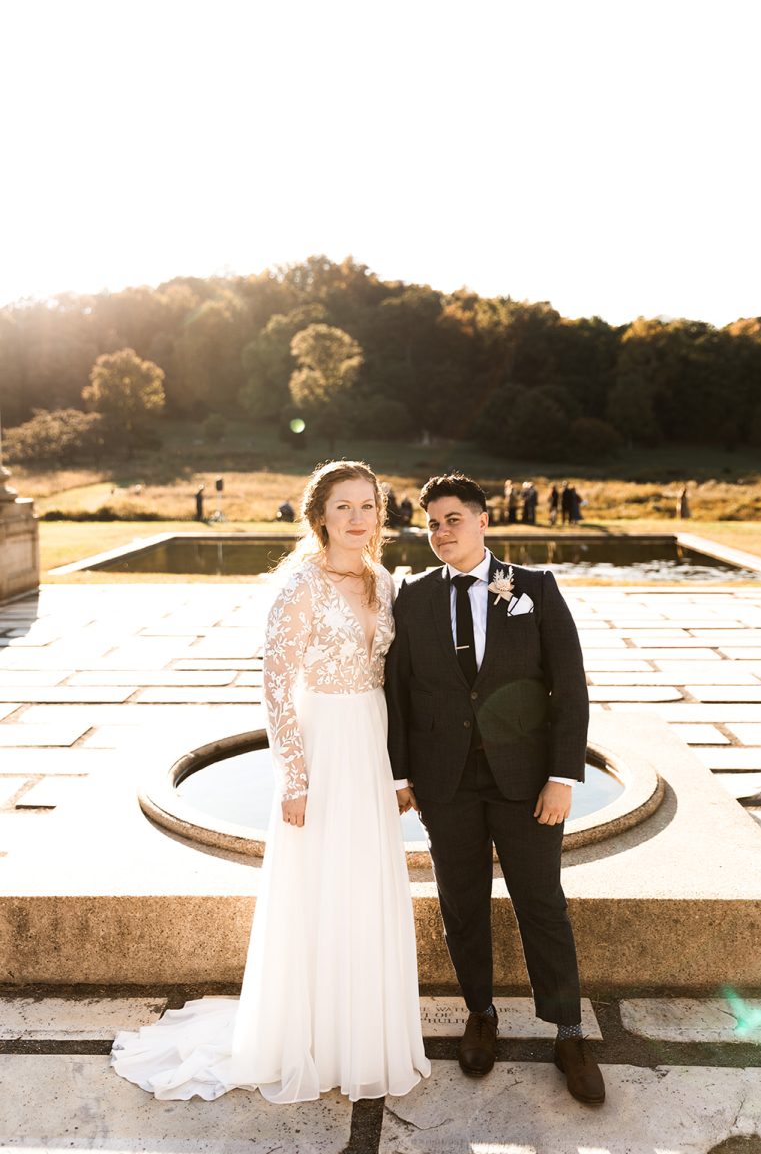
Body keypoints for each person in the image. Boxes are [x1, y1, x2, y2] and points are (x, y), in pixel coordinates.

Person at [111, 460, 430, 1103]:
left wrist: (404, 770)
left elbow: (396, 679)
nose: (357, 518)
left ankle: (362, 1034)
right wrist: (294, 775)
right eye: (343, 506)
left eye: (368, 505)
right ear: (319, 516)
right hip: (321, 739)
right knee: (319, 883)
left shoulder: (384, 581)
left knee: (365, 879)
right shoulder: (299, 585)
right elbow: (276, 685)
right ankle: (306, 1035)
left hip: (370, 740)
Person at [385, 473, 605, 1107]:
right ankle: (480, 1015)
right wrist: (402, 774)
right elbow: (398, 691)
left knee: (543, 904)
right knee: (462, 904)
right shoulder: (412, 596)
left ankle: (568, 1032)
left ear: (484, 520)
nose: (441, 532)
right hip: (445, 782)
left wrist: (562, 777)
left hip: (527, 782)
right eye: (431, 523)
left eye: (453, 518)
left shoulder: (534, 588)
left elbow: (570, 687)